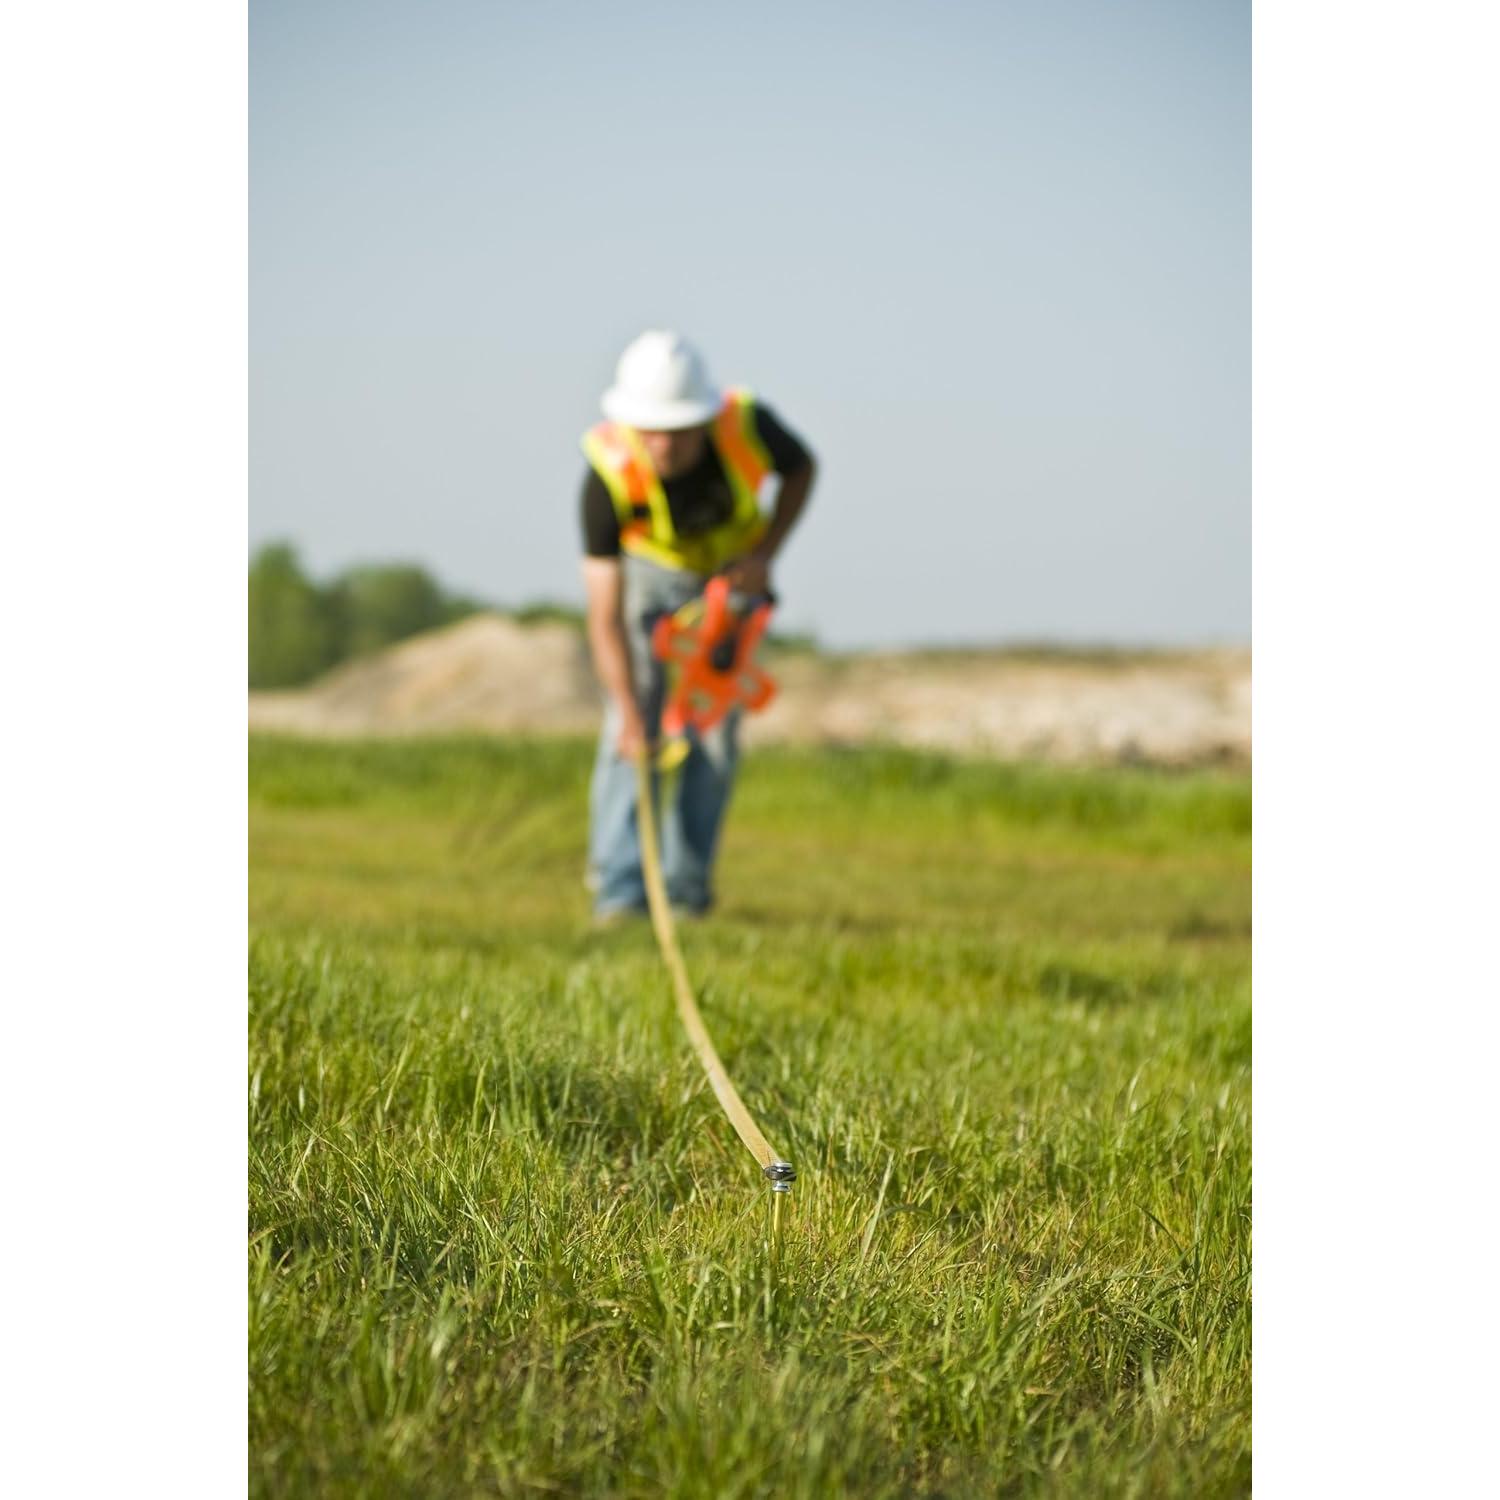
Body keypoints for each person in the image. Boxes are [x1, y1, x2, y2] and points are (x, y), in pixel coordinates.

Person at [579, 330, 817, 922]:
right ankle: (620, 894)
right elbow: (605, 616)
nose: (663, 443)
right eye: (650, 428)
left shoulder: (748, 424)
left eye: (677, 428)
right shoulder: (604, 478)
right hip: (649, 592)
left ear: (704, 419)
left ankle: (686, 895)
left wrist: (765, 554)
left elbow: (802, 469)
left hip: (727, 593)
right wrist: (631, 711)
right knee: (629, 740)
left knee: (712, 738)